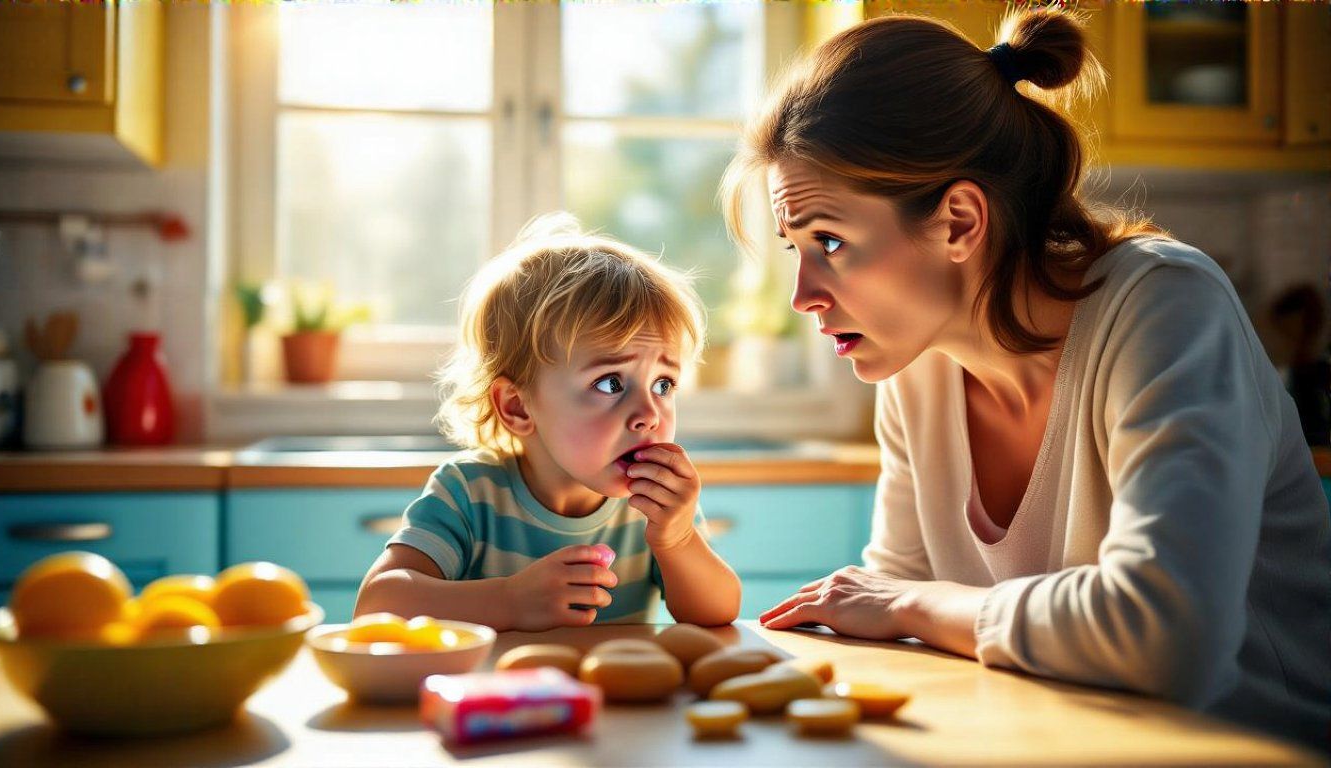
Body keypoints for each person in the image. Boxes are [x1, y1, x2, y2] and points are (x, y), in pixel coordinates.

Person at [721, 8, 1331, 749]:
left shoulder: (1164, 305)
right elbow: (889, 618)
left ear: (959, 221)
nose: (803, 295)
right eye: (796, 248)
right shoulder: (917, 369)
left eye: (831, 241)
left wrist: (916, 606)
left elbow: (1168, 634)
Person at [355, 213, 740, 630]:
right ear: (518, 407)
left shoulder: (653, 506)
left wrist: (679, 539)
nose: (648, 414)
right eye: (611, 383)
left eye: (663, 384)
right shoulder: (468, 493)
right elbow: (376, 605)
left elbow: (717, 612)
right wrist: (508, 601)